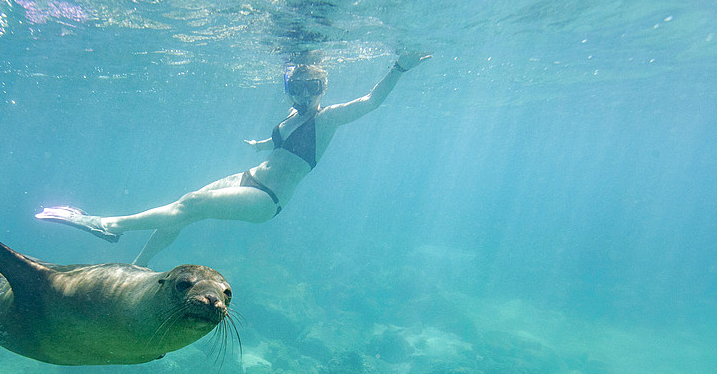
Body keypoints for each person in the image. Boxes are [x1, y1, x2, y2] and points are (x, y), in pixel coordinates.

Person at [36, 52, 431, 267]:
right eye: (295, 89)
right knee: (184, 206)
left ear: (322, 89)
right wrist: (260, 144)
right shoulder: (294, 116)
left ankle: (107, 224)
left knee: (189, 206)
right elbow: (279, 144)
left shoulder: (328, 119)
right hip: (249, 177)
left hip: (266, 201)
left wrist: (399, 67)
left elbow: (370, 102)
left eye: (310, 90)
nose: (301, 98)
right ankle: (138, 266)